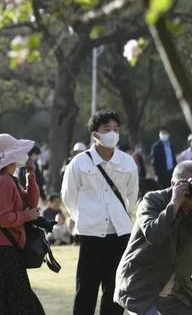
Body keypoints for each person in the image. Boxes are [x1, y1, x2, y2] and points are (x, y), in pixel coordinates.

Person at [61, 109, 139, 315]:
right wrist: (84, 219)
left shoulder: (127, 162)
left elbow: (132, 194)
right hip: (91, 234)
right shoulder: (79, 163)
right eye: (107, 129)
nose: (112, 133)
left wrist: (122, 215)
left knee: (115, 290)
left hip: (120, 233)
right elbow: (69, 196)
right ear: (95, 134)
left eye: (115, 129)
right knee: (86, 289)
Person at [114, 161, 192, 314]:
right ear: (173, 184)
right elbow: (154, 235)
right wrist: (174, 204)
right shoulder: (152, 200)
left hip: (175, 291)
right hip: (142, 287)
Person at [0, 133, 45, 315]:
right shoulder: (4, 181)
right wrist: (27, 216)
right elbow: (0, 217)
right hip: (5, 254)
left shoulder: (9, 180)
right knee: (19, 307)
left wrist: (30, 175)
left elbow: (31, 202)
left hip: (7, 252)